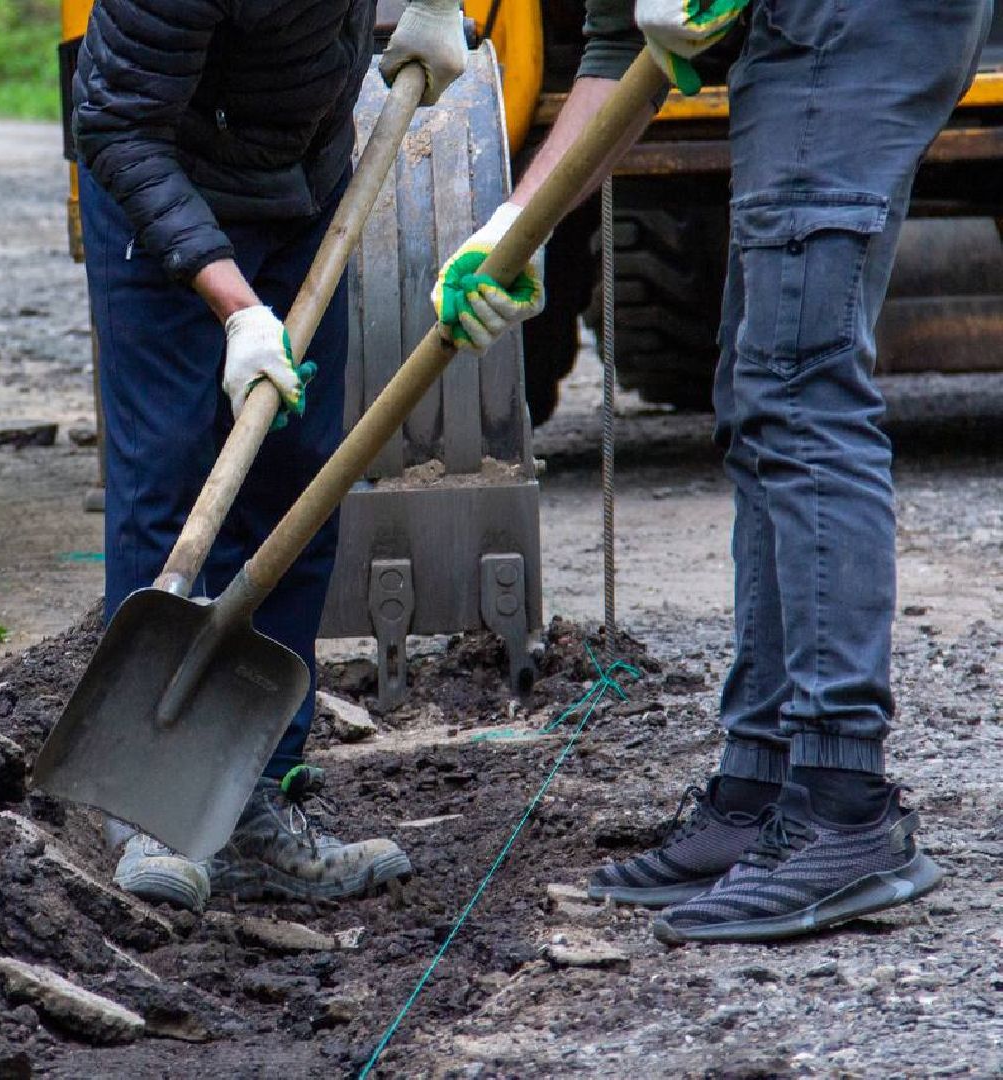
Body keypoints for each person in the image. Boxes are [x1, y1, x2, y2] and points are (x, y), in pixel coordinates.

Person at [443, 0, 993, 943]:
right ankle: (762, 785)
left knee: (802, 389)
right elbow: (622, 44)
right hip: (793, 43)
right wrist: (512, 227)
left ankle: (842, 802)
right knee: (758, 395)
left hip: (853, 23)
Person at [71, 0, 499, 911]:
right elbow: (111, 121)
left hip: (302, 185)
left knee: (300, 483)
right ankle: (151, 809)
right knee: (174, 477)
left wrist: (431, 6)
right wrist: (237, 311)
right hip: (163, 192)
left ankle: (257, 795)